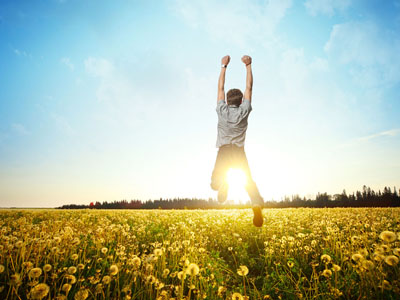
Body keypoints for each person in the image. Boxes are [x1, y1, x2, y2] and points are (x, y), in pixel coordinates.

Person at [210, 55, 264, 227]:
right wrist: (248, 66)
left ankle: (222, 184)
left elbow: (220, 87)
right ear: (242, 101)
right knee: (248, 181)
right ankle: (255, 203)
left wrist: (223, 66)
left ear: (226, 100)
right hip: (239, 152)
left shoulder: (222, 110)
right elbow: (249, 87)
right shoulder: (244, 110)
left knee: (214, 183)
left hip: (224, 151)